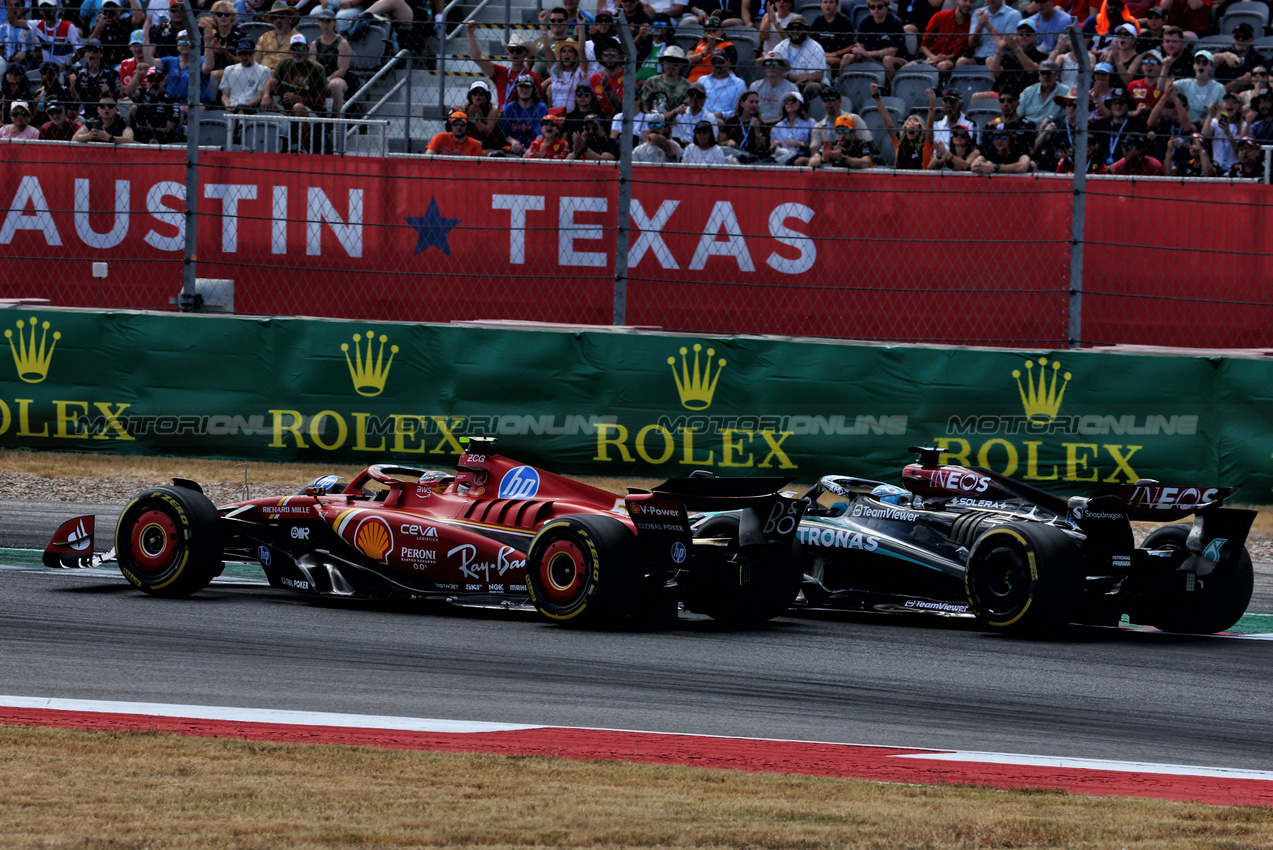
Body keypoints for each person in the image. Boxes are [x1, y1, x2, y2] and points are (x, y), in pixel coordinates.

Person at [465, 24, 541, 110]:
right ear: (509, 53)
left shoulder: (533, 77)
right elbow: (477, 58)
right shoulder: (501, 72)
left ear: (525, 53)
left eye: (519, 50)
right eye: (512, 50)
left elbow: (538, 102)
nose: (515, 53)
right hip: (503, 119)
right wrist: (470, 34)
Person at [261, 32, 328, 116]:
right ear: (289, 50)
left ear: (307, 49)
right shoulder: (284, 64)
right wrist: (266, 96)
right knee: (266, 104)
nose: (297, 52)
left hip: (309, 109)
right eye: (294, 48)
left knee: (298, 107)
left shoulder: (317, 69)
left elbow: (321, 100)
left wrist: (299, 99)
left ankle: (301, 129)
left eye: (301, 48)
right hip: (284, 107)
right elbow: (271, 82)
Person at [875, 85, 936, 168]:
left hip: (920, 180)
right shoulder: (899, 143)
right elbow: (888, 121)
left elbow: (929, 125)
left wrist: (932, 102)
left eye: (915, 125)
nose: (911, 126)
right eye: (909, 124)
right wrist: (877, 99)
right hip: (899, 180)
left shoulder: (925, 146)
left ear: (920, 129)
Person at [309, 8, 354, 114]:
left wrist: (327, 79)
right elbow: (314, 67)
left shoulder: (342, 43)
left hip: (340, 79)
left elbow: (342, 70)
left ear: (334, 22)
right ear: (318, 22)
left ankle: (338, 122)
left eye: (328, 21)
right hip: (321, 78)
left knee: (335, 85)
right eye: (322, 21)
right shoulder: (314, 44)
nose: (325, 24)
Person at [772, 16, 827, 99]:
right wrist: (793, 84)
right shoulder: (780, 47)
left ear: (806, 30)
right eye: (792, 28)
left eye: (799, 28)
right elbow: (773, 72)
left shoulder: (815, 48)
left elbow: (817, 76)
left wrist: (789, 76)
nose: (795, 31)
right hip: (786, 84)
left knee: (813, 87)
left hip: (807, 86)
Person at [988, 20, 1046, 98]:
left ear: (1035, 36)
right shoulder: (1008, 55)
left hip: (1026, 95)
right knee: (977, 96)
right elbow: (993, 73)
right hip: (1004, 95)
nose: (1024, 36)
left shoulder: (1041, 55)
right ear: (1017, 35)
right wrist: (999, 49)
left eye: (1028, 34)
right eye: (1021, 34)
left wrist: (1015, 47)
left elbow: (1031, 70)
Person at [1092, 87, 1146, 165]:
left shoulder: (1136, 126)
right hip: (1100, 168)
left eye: (1121, 103)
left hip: (1126, 168)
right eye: (1114, 103)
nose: (1117, 106)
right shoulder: (1101, 124)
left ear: (1128, 106)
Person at [917, 0, 974, 72]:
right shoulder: (939, 16)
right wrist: (934, 58)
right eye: (964, 0)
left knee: (944, 66)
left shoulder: (972, 25)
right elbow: (924, 45)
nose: (968, 4)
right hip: (929, 57)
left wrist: (943, 58)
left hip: (951, 60)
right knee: (907, 67)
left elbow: (960, 51)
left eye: (971, 2)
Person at [499, 73, 547, 155]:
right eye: (521, 86)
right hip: (513, 149)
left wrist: (532, 148)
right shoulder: (510, 108)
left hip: (535, 149)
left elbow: (541, 134)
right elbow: (505, 134)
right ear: (516, 89)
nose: (524, 90)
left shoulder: (541, 108)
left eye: (528, 87)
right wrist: (513, 142)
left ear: (534, 89)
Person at [1176, 50, 1226, 125]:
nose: (1201, 64)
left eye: (1205, 62)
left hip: (1209, 128)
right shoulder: (1185, 83)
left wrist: (1219, 126)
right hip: (1188, 127)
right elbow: (1161, 88)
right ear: (1194, 65)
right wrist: (1165, 67)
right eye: (1198, 61)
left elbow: (1225, 112)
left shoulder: (1219, 88)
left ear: (1211, 66)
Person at [68, 39, 120, 111]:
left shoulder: (112, 74)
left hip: (105, 111)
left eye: (95, 51)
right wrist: (72, 85)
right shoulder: (76, 73)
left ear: (101, 54)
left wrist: (108, 93)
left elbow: (115, 101)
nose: (91, 54)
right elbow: (76, 102)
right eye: (88, 50)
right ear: (85, 53)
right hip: (83, 112)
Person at [28, 0, 82, 69]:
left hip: (69, 69)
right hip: (49, 69)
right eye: (43, 8)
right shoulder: (37, 25)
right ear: (40, 11)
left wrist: (66, 65)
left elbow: (81, 50)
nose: (47, 10)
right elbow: (14, 22)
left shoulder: (68, 26)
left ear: (56, 8)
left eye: (49, 7)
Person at [1213, 23, 1267, 92]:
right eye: (1237, 37)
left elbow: (1246, 80)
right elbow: (1209, 62)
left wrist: (1223, 90)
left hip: (1244, 95)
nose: (1240, 40)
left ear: (1251, 39)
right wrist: (1224, 56)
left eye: (1245, 37)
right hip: (1220, 92)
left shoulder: (1258, 58)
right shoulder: (1224, 51)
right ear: (1233, 37)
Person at [641, 43, 690, 119]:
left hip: (677, 123)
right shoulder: (651, 82)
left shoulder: (687, 86)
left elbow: (685, 111)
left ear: (682, 65)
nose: (671, 66)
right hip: (652, 123)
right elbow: (645, 107)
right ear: (663, 63)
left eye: (675, 62)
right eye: (668, 62)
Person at [220, 37, 269, 111]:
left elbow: (259, 97)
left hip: (251, 109)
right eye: (241, 54)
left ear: (254, 53)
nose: (244, 57)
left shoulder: (263, 70)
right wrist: (228, 105)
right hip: (231, 108)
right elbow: (224, 96)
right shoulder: (229, 70)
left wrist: (242, 107)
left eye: (248, 54)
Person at [199, 0, 243, 83]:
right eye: (219, 14)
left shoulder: (241, 34)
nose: (223, 17)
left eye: (227, 14)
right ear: (214, 16)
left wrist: (226, 53)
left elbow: (245, 60)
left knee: (213, 75)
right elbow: (199, 58)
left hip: (236, 71)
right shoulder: (210, 33)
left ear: (232, 16)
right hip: (212, 69)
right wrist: (212, 51)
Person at [132, 66, 179, 141]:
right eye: (151, 79)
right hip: (140, 137)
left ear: (165, 81)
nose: (154, 83)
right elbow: (129, 92)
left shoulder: (171, 99)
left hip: (162, 138)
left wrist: (149, 128)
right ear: (147, 81)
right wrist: (137, 76)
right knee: (132, 107)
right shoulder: (142, 93)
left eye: (157, 79)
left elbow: (169, 130)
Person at [808, 114, 872, 168]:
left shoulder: (861, 144)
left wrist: (842, 158)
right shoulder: (832, 145)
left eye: (846, 131)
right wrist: (823, 159)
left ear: (854, 132)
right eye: (839, 131)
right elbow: (811, 162)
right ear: (836, 132)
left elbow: (866, 163)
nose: (843, 135)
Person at [749, 51, 797, 124]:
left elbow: (792, 114)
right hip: (758, 124)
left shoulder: (792, 88)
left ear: (782, 67)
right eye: (768, 64)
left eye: (775, 64)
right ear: (764, 67)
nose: (771, 67)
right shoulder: (755, 86)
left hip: (782, 125)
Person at [969, 0, 1022, 65]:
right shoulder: (977, 13)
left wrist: (989, 27)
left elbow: (1009, 45)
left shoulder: (1014, 14)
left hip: (1002, 59)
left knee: (990, 61)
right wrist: (979, 27)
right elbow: (972, 45)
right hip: (978, 57)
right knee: (961, 61)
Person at [719, 88, 767, 159]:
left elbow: (761, 148)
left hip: (752, 158)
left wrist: (757, 129)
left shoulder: (760, 123)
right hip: (733, 156)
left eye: (756, 102)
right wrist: (727, 142)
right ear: (742, 104)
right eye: (751, 102)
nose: (754, 105)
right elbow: (719, 143)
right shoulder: (730, 121)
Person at [684, 15, 734, 82]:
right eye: (707, 29)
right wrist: (704, 54)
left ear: (722, 31)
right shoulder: (699, 43)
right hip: (693, 81)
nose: (711, 32)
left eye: (714, 30)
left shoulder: (728, 46)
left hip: (714, 81)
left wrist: (713, 48)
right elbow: (687, 60)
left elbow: (729, 65)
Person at [768, 90, 813, 164]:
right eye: (786, 101)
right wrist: (773, 147)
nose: (790, 103)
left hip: (800, 159)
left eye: (794, 100)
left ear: (800, 103)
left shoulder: (810, 123)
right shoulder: (778, 126)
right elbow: (772, 151)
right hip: (781, 158)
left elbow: (815, 146)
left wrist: (800, 144)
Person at [543, 37, 588, 110]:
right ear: (560, 56)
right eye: (564, 51)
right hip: (555, 115)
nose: (566, 54)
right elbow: (547, 48)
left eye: (570, 51)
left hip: (573, 116)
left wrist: (581, 28)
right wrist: (544, 29)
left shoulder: (579, 72)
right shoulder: (555, 71)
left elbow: (582, 50)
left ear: (575, 55)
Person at [254, 0, 300, 71]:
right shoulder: (264, 37)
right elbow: (256, 61)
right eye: (274, 17)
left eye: (281, 16)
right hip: (263, 75)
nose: (278, 20)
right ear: (272, 21)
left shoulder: (298, 38)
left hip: (286, 77)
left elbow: (300, 65)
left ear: (290, 18)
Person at [1019, 59, 1070, 124]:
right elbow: (1018, 114)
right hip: (1029, 129)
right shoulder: (1028, 91)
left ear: (1056, 75)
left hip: (1053, 129)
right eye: (1043, 73)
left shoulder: (1065, 91)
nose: (1046, 76)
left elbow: (1066, 116)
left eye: (1049, 73)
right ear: (1039, 75)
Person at [810, 0, 854, 72]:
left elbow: (851, 46)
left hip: (838, 57)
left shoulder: (845, 22)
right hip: (820, 55)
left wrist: (834, 54)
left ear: (837, 4)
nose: (828, 5)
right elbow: (812, 42)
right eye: (825, 2)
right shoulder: (817, 21)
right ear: (821, 4)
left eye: (831, 2)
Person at [460, 77, 504, 150]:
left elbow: (487, 132)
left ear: (487, 96)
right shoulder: (465, 111)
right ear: (470, 96)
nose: (478, 96)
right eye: (474, 93)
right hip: (468, 146)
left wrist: (476, 118)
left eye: (481, 93)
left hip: (488, 147)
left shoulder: (492, 111)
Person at [701, 48, 744, 120]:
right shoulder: (702, 80)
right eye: (714, 62)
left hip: (726, 121)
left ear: (729, 63)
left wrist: (721, 114)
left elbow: (739, 110)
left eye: (721, 62)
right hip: (702, 119)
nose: (717, 65)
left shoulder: (739, 84)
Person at [588, 36, 624, 116]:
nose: (610, 57)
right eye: (606, 54)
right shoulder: (595, 78)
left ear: (620, 56)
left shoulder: (627, 77)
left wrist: (606, 87)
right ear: (601, 56)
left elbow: (621, 107)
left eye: (614, 54)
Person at [0, 0, 36, 73]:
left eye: (17, 6)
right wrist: (4, 63)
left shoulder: (31, 27)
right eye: (11, 7)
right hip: (7, 64)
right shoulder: (2, 28)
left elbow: (40, 52)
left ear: (22, 8)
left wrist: (25, 54)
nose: (14, 9)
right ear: (7, 9)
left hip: (26, 64)